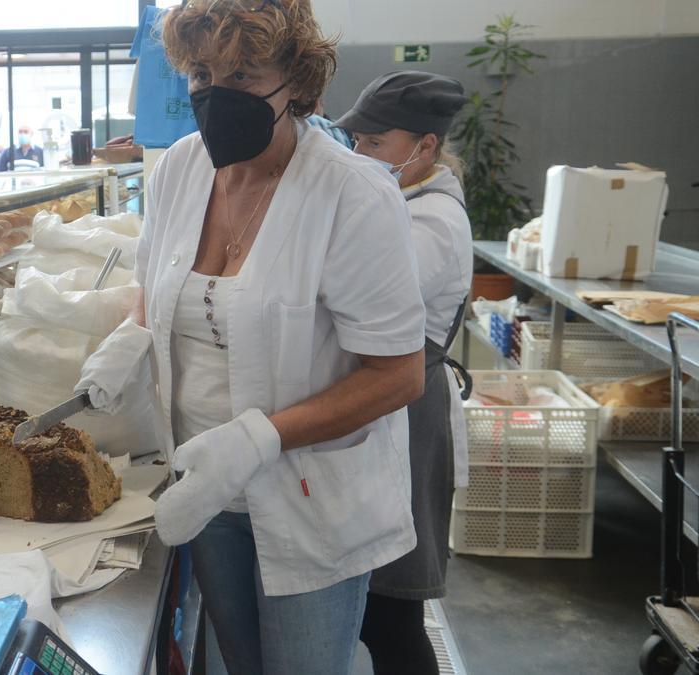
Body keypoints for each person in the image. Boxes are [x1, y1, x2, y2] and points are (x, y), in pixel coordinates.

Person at [75, 1, 428, 673]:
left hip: (309, 493)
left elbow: (398, 373)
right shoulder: (180, 169)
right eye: (202, 72)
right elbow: (159, 283)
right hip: (204, 487)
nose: (215, 94)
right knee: (241, 662)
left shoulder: (353, 193)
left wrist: (258, 438)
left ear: (296, 80)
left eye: (242, 75)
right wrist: (129, 338)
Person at [334, 71, 473, 675]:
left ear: (425, 147)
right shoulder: (398, 201)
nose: (359, 155)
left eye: (374, 144)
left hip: (408, 415)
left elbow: (375, 299)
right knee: (374, 606)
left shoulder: (434, 221)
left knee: (393, 615)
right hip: (383, 412)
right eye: (355, 142)